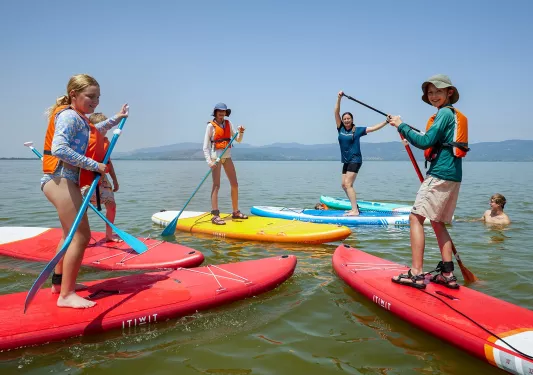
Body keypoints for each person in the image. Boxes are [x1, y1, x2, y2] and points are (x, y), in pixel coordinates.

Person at [41, 74, 128, 308]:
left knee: (68, 235)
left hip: (63, 181)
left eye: (98, 97)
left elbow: (95, 130)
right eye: (90, 96)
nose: (95, 101)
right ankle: (66, 295)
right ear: (74, 94)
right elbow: (59, 148)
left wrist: (115, 119)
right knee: (81, 236)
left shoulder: (79, 119)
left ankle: (59, 284)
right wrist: (94, 165)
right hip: (60, 179)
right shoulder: (70, 116)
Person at [388, 74, 468, 290]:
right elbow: (434, 139)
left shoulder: (443, 113)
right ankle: (447, 274)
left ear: (449, 92)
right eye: (430, 93)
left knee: (415, 218)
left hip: (440, 174)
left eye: (437, 92)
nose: (433, 96)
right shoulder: (450, 115)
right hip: (453, 175)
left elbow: (424, 143)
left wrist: (401, 126)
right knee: (437, 221)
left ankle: (416, 273)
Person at [334, 91, 389, 216]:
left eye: (349, 119)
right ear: (342, 120)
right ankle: (355, 207)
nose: (346, 120)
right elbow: (336, 112)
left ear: (352, 120)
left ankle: (355, 210)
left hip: (355, 160)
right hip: (346, 161)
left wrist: (385, 122)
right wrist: (339, 98)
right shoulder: (340, 128)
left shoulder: (358, 130)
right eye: (345, 119)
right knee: (344, 185)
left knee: (348, 184)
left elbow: (373, 128)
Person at [202, 103, 246, 225]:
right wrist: (209, 161)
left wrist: (240, 132)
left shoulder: (228, 124)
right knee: (216, 185)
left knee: (235, 184)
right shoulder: (211, 126)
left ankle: (235, 212)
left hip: (227, 157)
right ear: (215, 112)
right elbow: (205, 147)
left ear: (226, 113)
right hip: (215, 158)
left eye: (224, 111)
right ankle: (215, 215)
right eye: (219, 111)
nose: (222, 113)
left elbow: (238, 140)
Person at [80, 112, 121, 242]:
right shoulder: (86, 143)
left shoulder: (106, 142)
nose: (105, 131)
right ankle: (80, 236)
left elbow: (108, 161)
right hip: (87, 180)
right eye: (103, 128)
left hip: (103, 179)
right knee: (82, 209)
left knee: (112, 206)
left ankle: (109, 235)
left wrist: (114, 179)